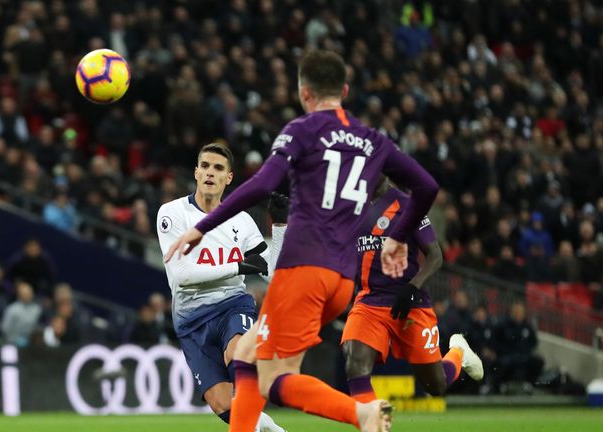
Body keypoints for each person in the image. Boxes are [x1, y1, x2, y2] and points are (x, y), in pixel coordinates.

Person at [166, 50, 439, 432]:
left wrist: (202, 225)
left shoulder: (302, 130)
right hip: (343, 282)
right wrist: (395, 235)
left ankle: (362, 414)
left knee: (274, 378)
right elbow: (427, 186)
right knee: (246, 357)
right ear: (343, 90)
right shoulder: (373, 141)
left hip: (303, 270)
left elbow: (262, 183)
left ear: (304, 92)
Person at [156, 143, 286, 431]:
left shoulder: (242, 220)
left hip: (232, 305)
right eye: (204, 166)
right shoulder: (173, 214)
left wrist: (279, 227)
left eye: (218, 168)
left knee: (238, 352)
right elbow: (182, 276)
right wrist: (238, 266)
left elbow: (274, 274)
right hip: (190, 320)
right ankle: (270, 427)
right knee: (223, 405)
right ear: (196, 172)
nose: (209, 173)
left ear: (229, 178)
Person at [341, 177, 483, 404]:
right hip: (369, 302)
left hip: (408, 303)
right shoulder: (354, 204)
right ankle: (374, 427)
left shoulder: (408, 206)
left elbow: (435, 256)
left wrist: (412, 288)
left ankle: (458, 352)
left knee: (435, 385)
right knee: (354, 364)